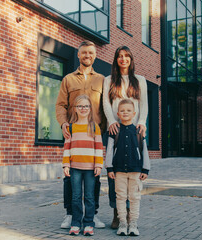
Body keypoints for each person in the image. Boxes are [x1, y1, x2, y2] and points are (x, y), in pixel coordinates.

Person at [56, 40, 105, 229]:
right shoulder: (68, 79)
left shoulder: (101, 79)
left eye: (91, 53)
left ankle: (93, 216)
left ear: (95, 55)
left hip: (94, 135)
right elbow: (60, 104)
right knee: (69, 177)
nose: (87, 56)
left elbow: (105, 107)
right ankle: (70, 214)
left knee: (95, 177)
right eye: (84, 52)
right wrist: (63, 123)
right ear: (78, 55)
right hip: (73, 134)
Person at [102, 46, 148, 229]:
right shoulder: (109, 80)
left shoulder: (140, 80)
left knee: (133, 173)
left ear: (131, 59)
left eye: (126, 56)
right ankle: (117, 212)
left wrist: (142, 121)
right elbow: (106, 102)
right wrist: (111, 120)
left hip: (135, 130)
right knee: (115, 172)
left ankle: (130, 214)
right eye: (120, 56)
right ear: (116, 59)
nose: (123, 59)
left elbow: (144, 103)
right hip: (115, 130)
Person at [105, 99, 150, 236]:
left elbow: (144, 151)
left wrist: (145, 169)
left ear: (134, 113)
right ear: (118, 113)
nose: (125, 113)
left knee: (135, 197)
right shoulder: (114, 131)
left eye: (128, 110)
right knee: (120, 197)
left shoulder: (138, 131)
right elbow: (110, 151)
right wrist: (109, 168)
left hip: (135, 170)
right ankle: (122, 223)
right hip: (119, 172)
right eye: (122, 110)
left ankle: (133, 223)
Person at [62, 95, 103, 236]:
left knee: (90, 197)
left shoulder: (94, 127)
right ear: (75, 109)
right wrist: (66, 165)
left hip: (90, 168)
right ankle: (75, 223)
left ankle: (88, 223)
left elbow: (99, 147)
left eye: (86, 106)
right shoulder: (71, 128)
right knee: (76, 196)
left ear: (90, 109)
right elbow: (66, 148)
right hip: (75, 168)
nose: (83, 108)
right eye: (80, 106)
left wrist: (99, 164)